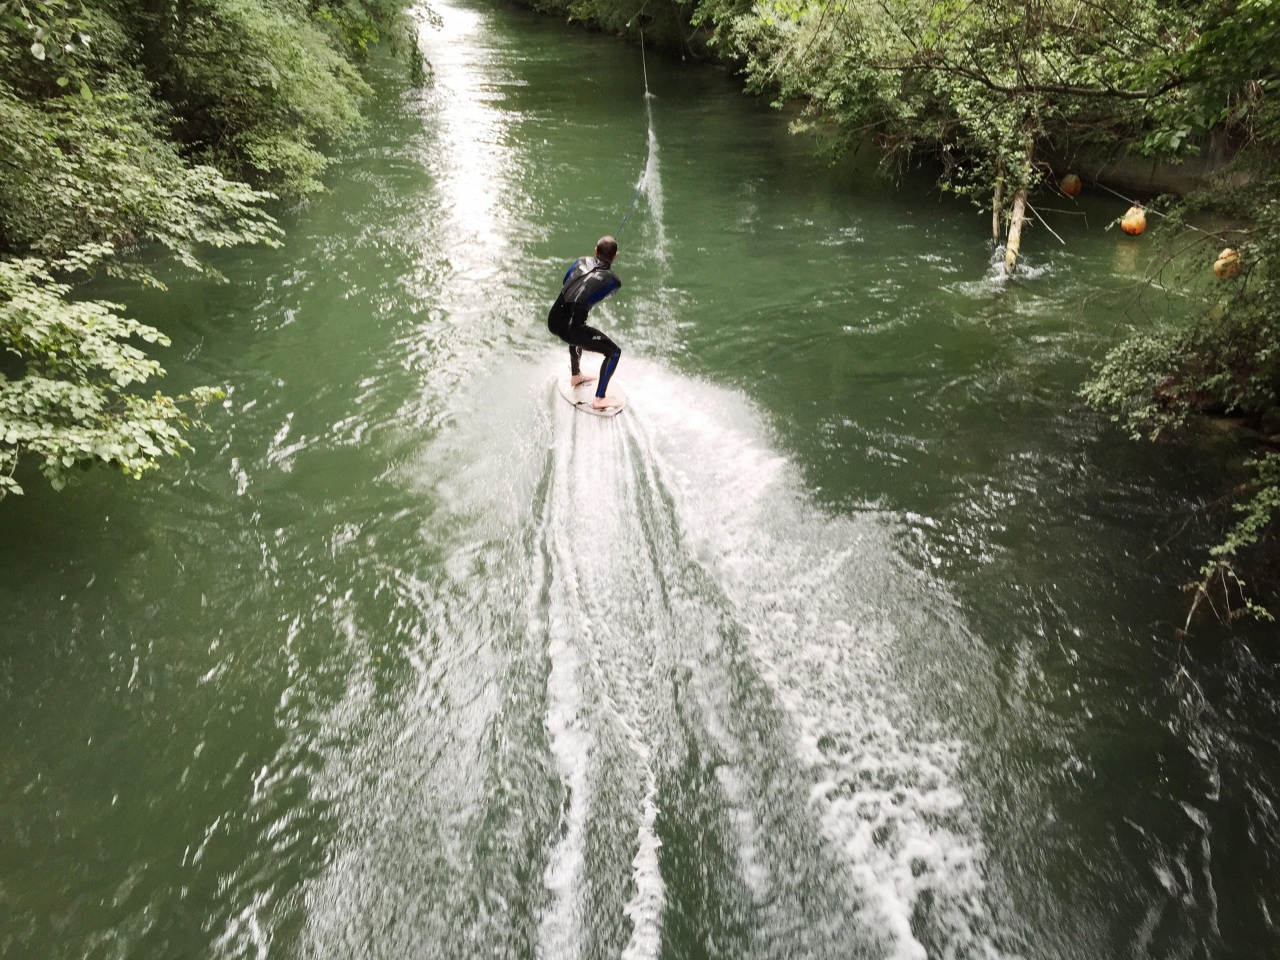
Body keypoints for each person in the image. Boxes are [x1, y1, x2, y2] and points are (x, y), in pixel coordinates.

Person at [548, 235, 624, 410]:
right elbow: (609, 293)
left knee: (577, 329)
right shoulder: (614, 281)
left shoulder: (580, 261)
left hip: (553, 320)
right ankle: (600, 399)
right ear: (615, 256)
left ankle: (576, 375)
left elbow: (565, 281)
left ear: (595, 250)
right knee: (614, 352)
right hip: (571, 330)